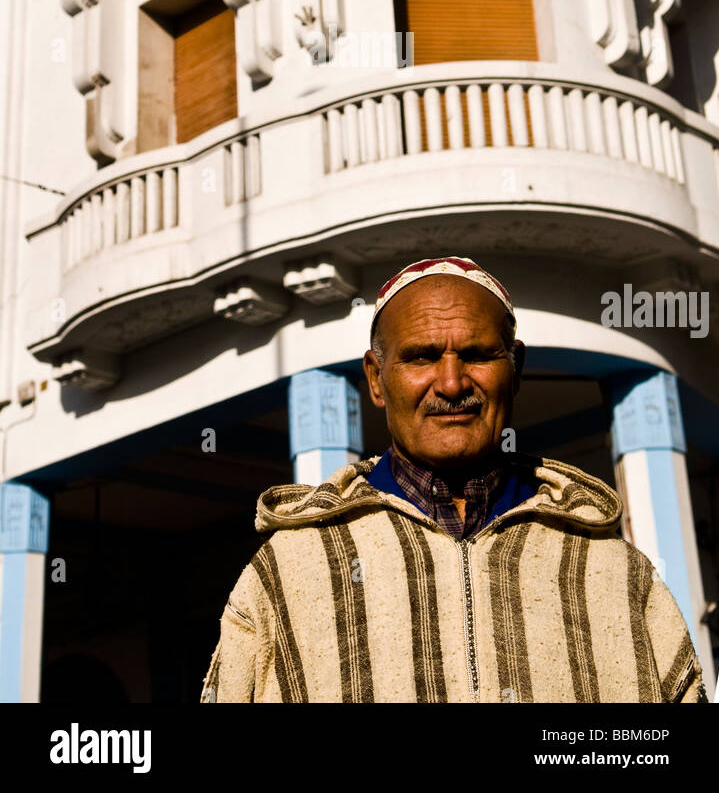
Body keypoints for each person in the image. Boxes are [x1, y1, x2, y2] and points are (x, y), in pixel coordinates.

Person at [200, 255, 708, 703]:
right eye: (421, 357)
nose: (451, 383)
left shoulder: (613, 572)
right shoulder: (291, 571)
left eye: (478, 355)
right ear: (377, 378)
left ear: (516, 368)